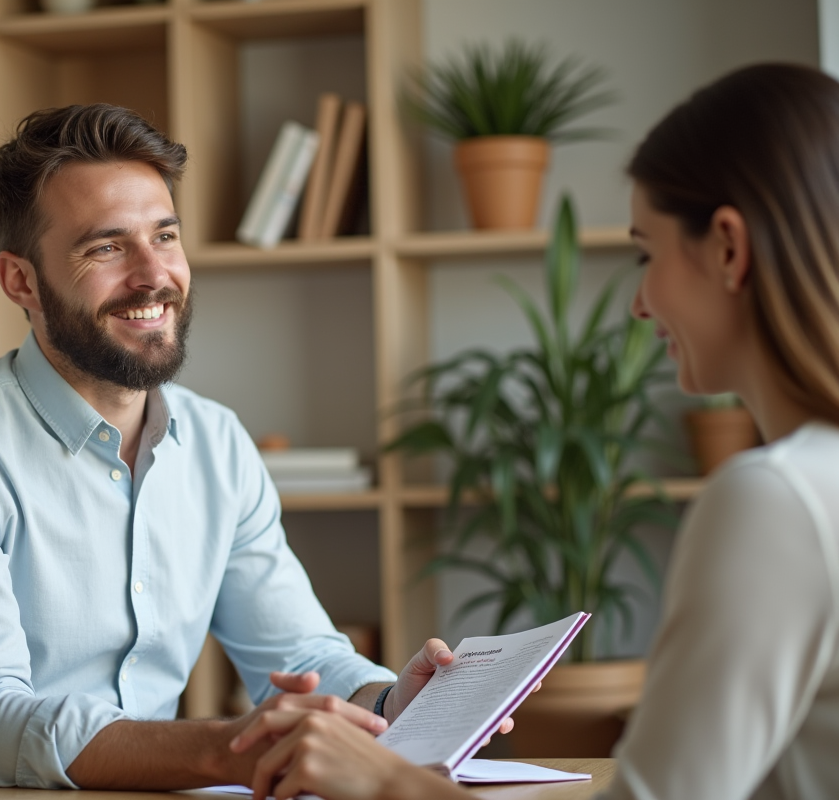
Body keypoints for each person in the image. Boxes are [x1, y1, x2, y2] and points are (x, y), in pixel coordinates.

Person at [226, 61, 839, 800]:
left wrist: (387, 783)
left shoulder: (777, 498)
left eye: (647, 253)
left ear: (730, 248)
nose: (640, 303)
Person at [0, 104, 485, 797]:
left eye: (165, 236)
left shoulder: (216, 444)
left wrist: (391, 708)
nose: (154, 276)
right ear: (20, 280)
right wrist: (225, 749)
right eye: (106, 247)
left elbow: (299, 653)